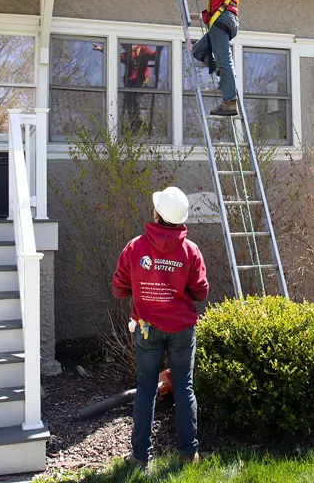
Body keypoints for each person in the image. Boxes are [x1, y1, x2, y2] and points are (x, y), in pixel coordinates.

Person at [112, 186, 209, 467]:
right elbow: (200, 292)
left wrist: (143, 286)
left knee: (145, 390)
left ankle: (140, 458)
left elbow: (119, 290)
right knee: (184, 388)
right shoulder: (190, 250)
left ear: (157, 214)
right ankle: (189, 454)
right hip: (181, 329)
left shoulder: (135, 247)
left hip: (147, 329)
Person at [153, 0, 240, 117]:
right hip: (227, 20)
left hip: (221, 21)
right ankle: (221, 74)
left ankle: (230, 101)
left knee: (225, 61)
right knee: (199, 51)